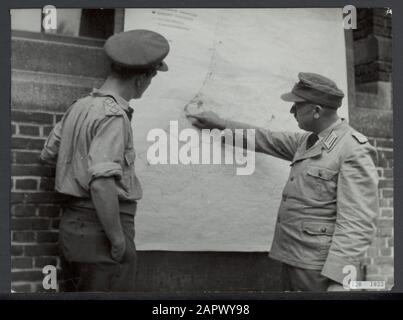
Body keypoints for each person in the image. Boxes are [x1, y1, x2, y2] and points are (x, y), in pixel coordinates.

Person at [187, 72, 379, 291]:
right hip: (293, 259)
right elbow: (266, 138)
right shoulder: (309, 141)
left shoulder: (353, 149)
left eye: (296, 105)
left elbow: (358, 222)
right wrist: (221, 124)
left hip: (320, 270)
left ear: (316, 111)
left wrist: (339, 280)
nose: (291, 111)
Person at [40, 29, 170, 292]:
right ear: (142, 77)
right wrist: (118, 239)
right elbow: (101, 184)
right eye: (152, 77)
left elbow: (48, 156)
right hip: (102, 231)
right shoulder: (113, 116)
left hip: (73, 228)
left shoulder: (79, 106)